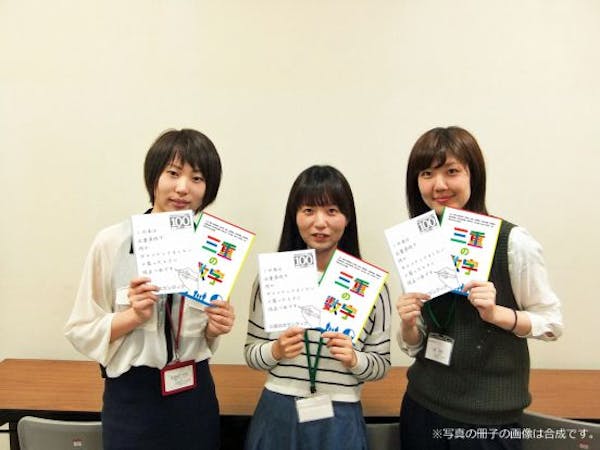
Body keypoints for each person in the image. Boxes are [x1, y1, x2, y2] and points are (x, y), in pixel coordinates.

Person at [64, 128, 235, 450]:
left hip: (194, 395)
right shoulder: (113, 242)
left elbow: (201, 337)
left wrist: (215, 328)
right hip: (133, 399)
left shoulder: (214, 248)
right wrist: (133, 316)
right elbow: (80, 329)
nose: (183, 188)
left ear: (208, 188)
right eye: (173, 173)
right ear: (154, 176)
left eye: (197, 178)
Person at [397, 126, 563, 449]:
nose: (439, 185)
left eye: (452, 171)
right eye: (427, 173)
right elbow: (417, 343)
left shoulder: (512, 242)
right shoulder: (417, 242)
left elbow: (552, 323)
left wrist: (498, 314)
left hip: (488, 423)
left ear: (474, 174)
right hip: (422, 406)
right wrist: (407, 325)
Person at [244, 165, 392, 450]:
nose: (320, 223)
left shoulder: (369, 284)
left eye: (332, 211)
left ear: (347, 218)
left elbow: (381, 364)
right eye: (309, 210)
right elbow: (252, 353)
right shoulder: (271, 277)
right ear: (295, 216)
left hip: (341, 415)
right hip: (278, 409)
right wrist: (276, 350)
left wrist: (354, 359)